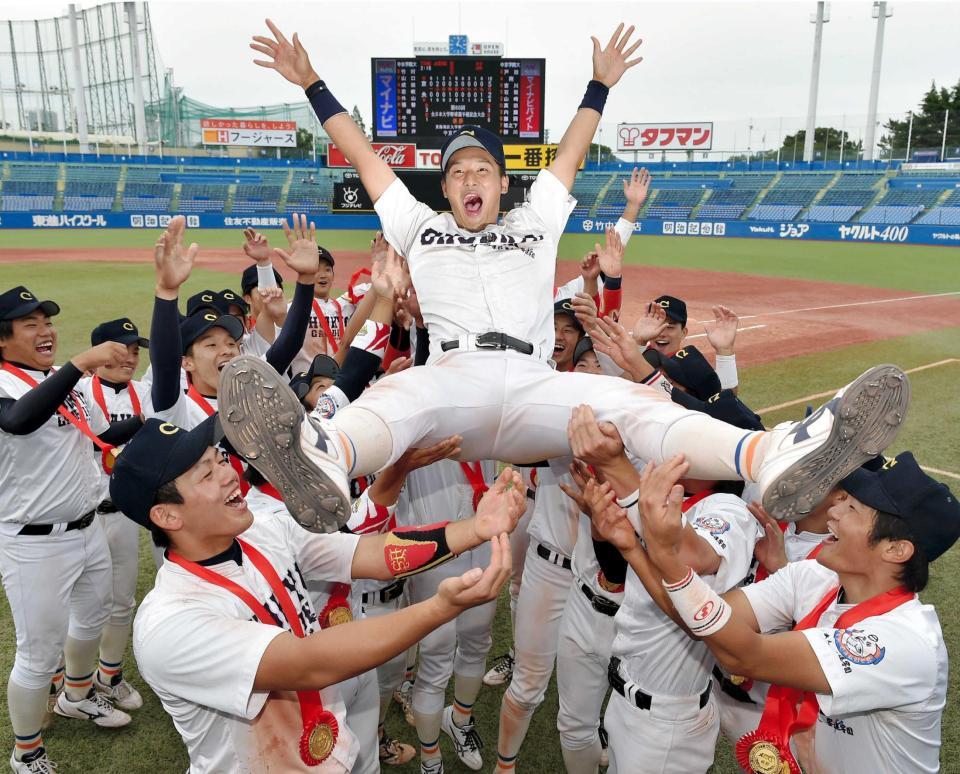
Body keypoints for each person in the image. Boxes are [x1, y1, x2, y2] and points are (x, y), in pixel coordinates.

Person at [240, 19, 908, 541]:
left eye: (482, 170)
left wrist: (600, 85)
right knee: (391, 400)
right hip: (452, 379)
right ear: (442, 187)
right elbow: (360, 150)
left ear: (504, 183)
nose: (470, 179)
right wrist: (312, 83)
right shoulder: (416, 224)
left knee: (638, 409)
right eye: (457, 173)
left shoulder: (537, 220)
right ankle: (323, 460)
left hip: (537, 387)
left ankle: (769, 456)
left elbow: (572, 150)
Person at [108, 417, 526, 773]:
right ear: (166, 516)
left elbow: (370, 553)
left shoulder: (263, 530)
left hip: (332, 746)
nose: (229, 473)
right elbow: (309, 664)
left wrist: (475, 528)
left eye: (220, 459)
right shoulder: (171, 623)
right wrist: (439, 608)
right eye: (206, 473)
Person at [625, 450, 958, 774]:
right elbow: (704, 621)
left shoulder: (906, 644)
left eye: (853, 508)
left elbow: (743, 655)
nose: (834, 512)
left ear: (895, 549)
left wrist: (668, 557)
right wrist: (631, 546)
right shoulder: (814, 577)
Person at [0, 286, 141, 773]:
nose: (46, 332)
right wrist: (79, 364)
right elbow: (18, 420)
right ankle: (26, 752)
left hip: (87, 528)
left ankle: (77, 696)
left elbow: (103, 435)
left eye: (47, 322)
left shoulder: (69, 386)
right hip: (33, 541)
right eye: (30, 325)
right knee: (38, 653)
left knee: (92, 617)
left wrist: (159, 422)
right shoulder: (8, 383)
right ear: (3, 340)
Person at [75, 317, 152, 713]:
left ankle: (110, 673)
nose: (131, 357)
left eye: (136, 350)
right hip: (84, 515)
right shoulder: (77, 392)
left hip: (122, 514)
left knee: (122, 600)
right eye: (123, 349)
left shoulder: (144, 392)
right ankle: (67, 680)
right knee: (82, 605)